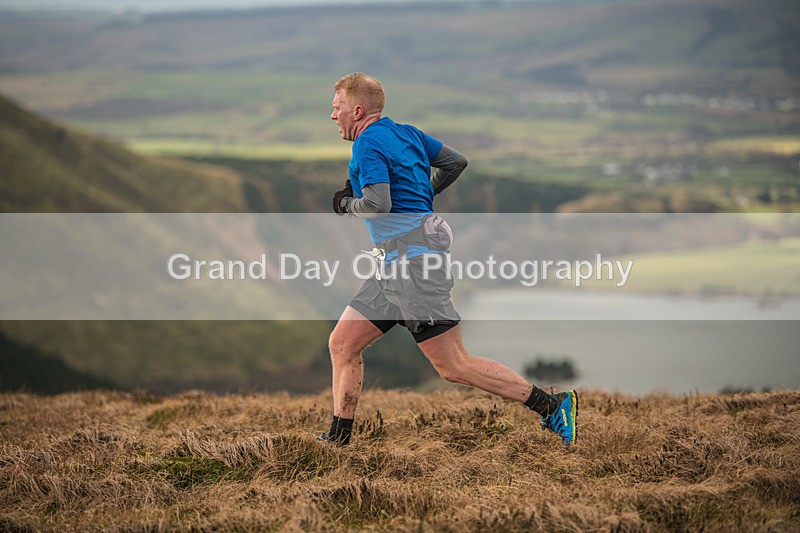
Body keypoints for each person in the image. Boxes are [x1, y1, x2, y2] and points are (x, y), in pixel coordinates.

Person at [320, 72, 578, 446]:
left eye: (337, 107)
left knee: (454, 365)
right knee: (342, 344)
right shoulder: (406, 133)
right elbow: (456, 163)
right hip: (394, 267)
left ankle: (553, 407)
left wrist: (346, 204)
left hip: (414, 269)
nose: (333, 115)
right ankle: (338, 439)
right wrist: (422, 194)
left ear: (357, 110)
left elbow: (378, 205)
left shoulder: (366, 145)